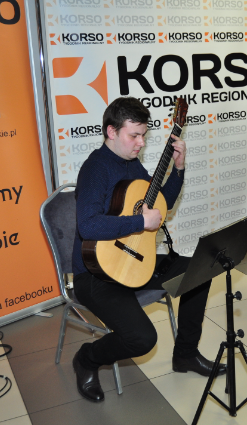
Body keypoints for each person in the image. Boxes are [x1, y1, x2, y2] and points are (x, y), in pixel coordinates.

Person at [70, 97, 225, 402]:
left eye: (143, 135)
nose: (141, 143)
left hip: (135, 259)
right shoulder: (96, 169)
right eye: (134, 135)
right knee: (142, 339)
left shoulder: (132, 163)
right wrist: (140, 221)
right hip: (96, 273)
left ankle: (186, 354)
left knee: (199, 271)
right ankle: (86, 358)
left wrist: (178, 169)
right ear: (111, 131)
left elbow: (159, 204)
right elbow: (88, 226)